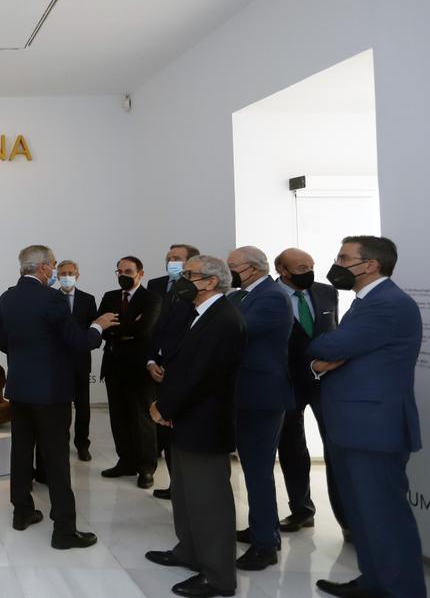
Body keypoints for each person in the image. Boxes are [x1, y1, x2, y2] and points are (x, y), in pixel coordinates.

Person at [309, 236, 425, 598]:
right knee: (362, 514)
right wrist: (319, 362)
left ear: (370, 264)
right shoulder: (367, 301)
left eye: (344, 257)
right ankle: (374, 582)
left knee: (384, 516)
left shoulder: (388, 304)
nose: (337, 263)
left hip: (373, 428)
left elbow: (332, 346)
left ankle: (402, 591)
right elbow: (335, 351)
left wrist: (318, 354)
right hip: (353, 425)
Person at [0, 245, 116, 546]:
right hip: (50, 392)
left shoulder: (7, 297)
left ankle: (21, 512)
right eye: (55, 266)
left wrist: (27, 353)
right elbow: (78, 341)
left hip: (20, 389)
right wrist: (98, 326)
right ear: (45, 267)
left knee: (21, 453)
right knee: (57, 460)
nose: (56, 271)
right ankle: (64, 530)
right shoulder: (53, 299)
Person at [146, 255, 245, 598]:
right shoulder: (196, 313)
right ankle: (188, 550)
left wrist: (165, 407)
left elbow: (201, 375)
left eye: (190, 275)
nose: (183, 279)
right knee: (186, 494)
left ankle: (218, 576)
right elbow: (176, 358)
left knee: (209, 501)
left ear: (212, 282)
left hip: (204, 421)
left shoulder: (224, 320)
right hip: (186, 417)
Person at [225, 246, 294, 571]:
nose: (229, 272)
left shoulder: (272, 296)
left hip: (262, 395)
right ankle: (260, 528)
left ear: (253, 268)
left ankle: (265, 543)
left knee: (257, 470)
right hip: (244, 393)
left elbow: (236, 330)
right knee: (253, 468)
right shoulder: (242, 295)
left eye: (232, 267)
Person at [272, 248, 347, 538]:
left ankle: (346, 517)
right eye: (301, 266)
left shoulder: (327, 292)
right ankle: (302, 510)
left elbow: (334, 331)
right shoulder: (268, 296)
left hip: (326, 382)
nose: (309, 270)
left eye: (311, 265)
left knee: (335, 446)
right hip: (286, 381)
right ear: (283, 270)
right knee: (292, 448)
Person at [98, 256, 162, 489]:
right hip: (113, 366)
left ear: (140, 274)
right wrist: (125, 328)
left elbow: (144, 329)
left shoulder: (151, 298)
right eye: (119, 271)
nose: (123, 275)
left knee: (142, 418)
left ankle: (146, 468)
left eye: (128, 271)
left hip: (139, 368)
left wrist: (118, 327)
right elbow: (101, 328)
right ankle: (125, 461)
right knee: (118, 417)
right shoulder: (110, 297)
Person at [146, 243, 201, 499]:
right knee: (167, 433)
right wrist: (151, 361)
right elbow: (154, 329)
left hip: (188, 374)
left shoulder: (202, 293)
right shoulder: (160, 288)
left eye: (177, 258)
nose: (171, 262)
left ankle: (191, 487)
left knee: (187, 434)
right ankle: (175, 485)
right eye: (169, 258)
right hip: (162, 369)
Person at [56, 260, 99, 461]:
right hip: (57, 362)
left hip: (81, 361)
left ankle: (82, 444)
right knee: (61, 407)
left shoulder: (88, 299)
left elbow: (93, 328)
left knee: (83, 406)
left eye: (70, 272)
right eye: (63, 273)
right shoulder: (51, 297)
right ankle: (61, 443)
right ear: (57, 275)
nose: (66, 276)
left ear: (77, 275)